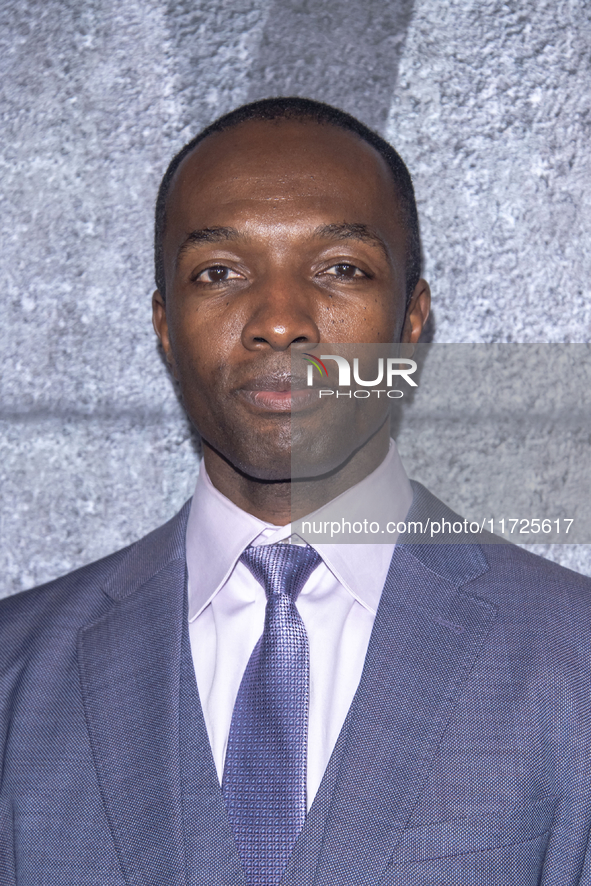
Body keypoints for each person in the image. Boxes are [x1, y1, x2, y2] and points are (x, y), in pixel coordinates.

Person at [1, 97, 590, 886]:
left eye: (340, 269)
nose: (279, 321)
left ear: (411, 322)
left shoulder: (573, 657)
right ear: (164, 325)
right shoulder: (15, 671)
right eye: (219, 272)